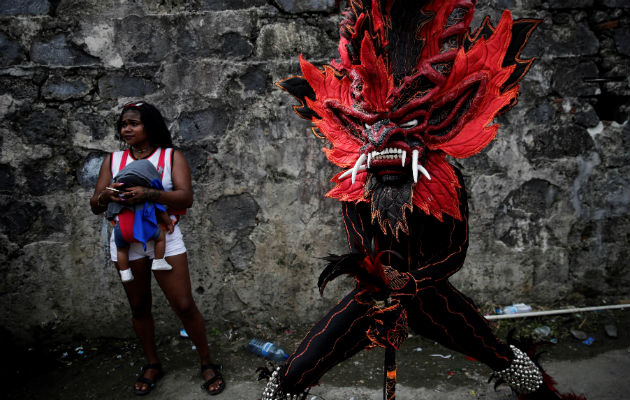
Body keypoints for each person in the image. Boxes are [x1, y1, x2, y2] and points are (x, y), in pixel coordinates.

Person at [90, 101, 225, 396]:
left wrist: (148, 193)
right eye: (124, 124)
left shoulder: (170, 156)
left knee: (184, 304)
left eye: (134, 123)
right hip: (126, 239)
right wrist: (109, 194)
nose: (127, 129)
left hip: (164, 236)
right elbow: (95, 205)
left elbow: (185, 197)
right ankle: (152, 363)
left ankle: (207, 361)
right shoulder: (113, 161)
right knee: (139, 307)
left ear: (149, 126)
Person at [107, 159, 175, 282]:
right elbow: (161, 211)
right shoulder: (148, 197)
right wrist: (169, 223)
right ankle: (159, 261)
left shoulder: (118, 199)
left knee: (121, 250)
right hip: (146, 229)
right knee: (160, 238)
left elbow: (110, 212)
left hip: (122, 230)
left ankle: (125, 272)